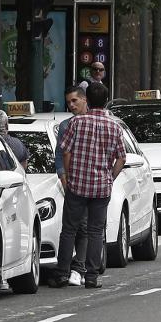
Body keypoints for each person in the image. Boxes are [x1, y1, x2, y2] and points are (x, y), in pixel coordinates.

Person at [49, 83, 125, 289]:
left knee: (69, 230)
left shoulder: (76, 123)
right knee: (95, 231)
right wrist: (110, 177)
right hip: (101, 187)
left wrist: (70, 175)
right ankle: (91, 276)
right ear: (107, 100)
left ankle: (62, 273)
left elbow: (65, 151)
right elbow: (121, 158)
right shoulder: (114, 126)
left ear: (87, 100)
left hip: (78, 186)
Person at [54, 87, 90, 285]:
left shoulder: (94, 122)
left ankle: (79, 268)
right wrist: (63, 177)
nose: (71, 105)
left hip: (90, 181)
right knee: (70, 228)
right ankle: (64, 271)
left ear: (85, 100)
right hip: (72, 182)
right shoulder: (65, 125)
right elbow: (60, 155)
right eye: (69, 102)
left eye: (75, 100)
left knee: (85, 227)